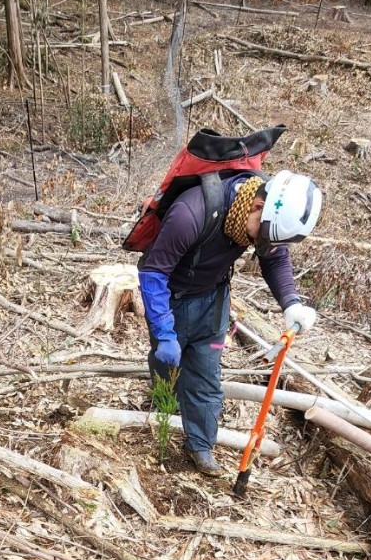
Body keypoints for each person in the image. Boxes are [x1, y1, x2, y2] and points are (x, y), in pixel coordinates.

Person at [138, 170, 323, 476]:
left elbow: (274, 256)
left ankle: (200, 445)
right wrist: (162, 329)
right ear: (256, 206)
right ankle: (164, 401)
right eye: (258, 237)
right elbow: (153, 272)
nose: (257, 244)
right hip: (172, 298)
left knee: (206, 374)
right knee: (167, 362)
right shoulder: (192, 212)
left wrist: (291, 302)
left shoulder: (266, 217)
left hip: (214, 299)